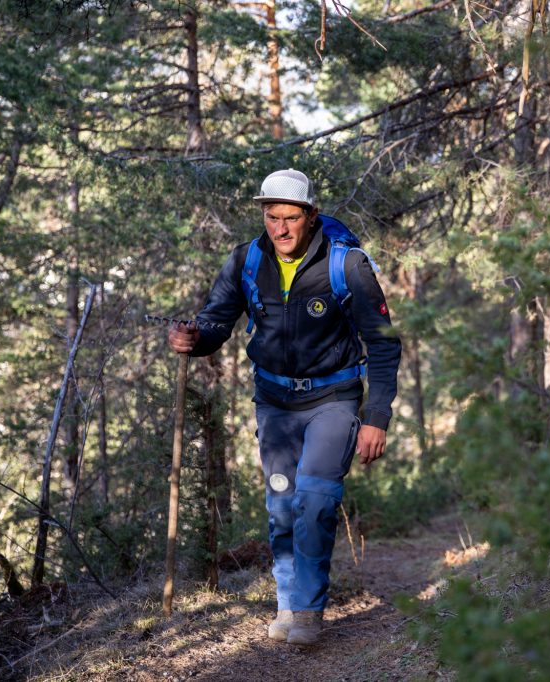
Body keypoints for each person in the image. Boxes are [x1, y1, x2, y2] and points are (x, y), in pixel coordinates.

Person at [167, 169, 401, 646]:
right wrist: (194, 339)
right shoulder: (246, 261)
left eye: (291, 218)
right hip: (274, 403)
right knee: (280, 503)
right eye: (272, 217)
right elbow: (216, 321)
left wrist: (376, 417)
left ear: (311, 216)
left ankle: (309, 612)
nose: (281, 229)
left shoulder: (347, 265)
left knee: (314, 499)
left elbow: (382, 345)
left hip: (333, 399)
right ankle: (288, 601)